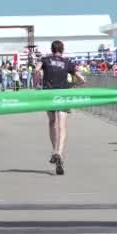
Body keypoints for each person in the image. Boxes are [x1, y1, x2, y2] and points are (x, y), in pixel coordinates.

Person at [34, 40, 85, 175]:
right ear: (62, 49)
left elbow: (36, 70)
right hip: (63, 95)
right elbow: (82, 79)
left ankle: (54, 150)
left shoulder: (44, 60)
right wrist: (72, 85)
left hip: (49, 94)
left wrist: (37, 84)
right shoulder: (68, 63)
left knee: (51, 122)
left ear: (52, 49)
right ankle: (59, 152)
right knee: (62, 125)